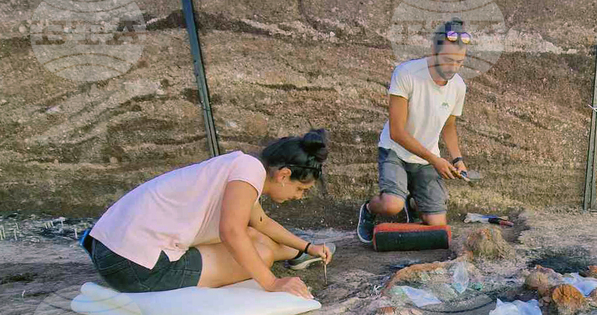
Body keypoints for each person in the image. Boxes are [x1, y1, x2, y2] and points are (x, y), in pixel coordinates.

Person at [82, 130, 334, 298]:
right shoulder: (249, 172)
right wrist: (271, 283)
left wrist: (309, 246)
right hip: (132, 268)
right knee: (262, 254)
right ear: (284, 175)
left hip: (110, 248)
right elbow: (231, 232)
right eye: (300, 189)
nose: (298, 196)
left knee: (252, 233)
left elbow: (259, 221)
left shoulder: (243, 166)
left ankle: (297, 254)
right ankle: (286, 255)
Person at [356, 18, 471, 244]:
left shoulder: (458, 86)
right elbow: (397, 132)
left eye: (460, 62)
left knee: (437, 224)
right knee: (391, 205)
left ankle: (413, 202)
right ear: (433, 52)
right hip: (395, 150)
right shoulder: (406, 73)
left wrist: (458, 159)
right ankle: (369, 210)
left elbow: (449, 126)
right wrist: (435, 160)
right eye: (448, 60)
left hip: (426, 157)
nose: (454, 68)